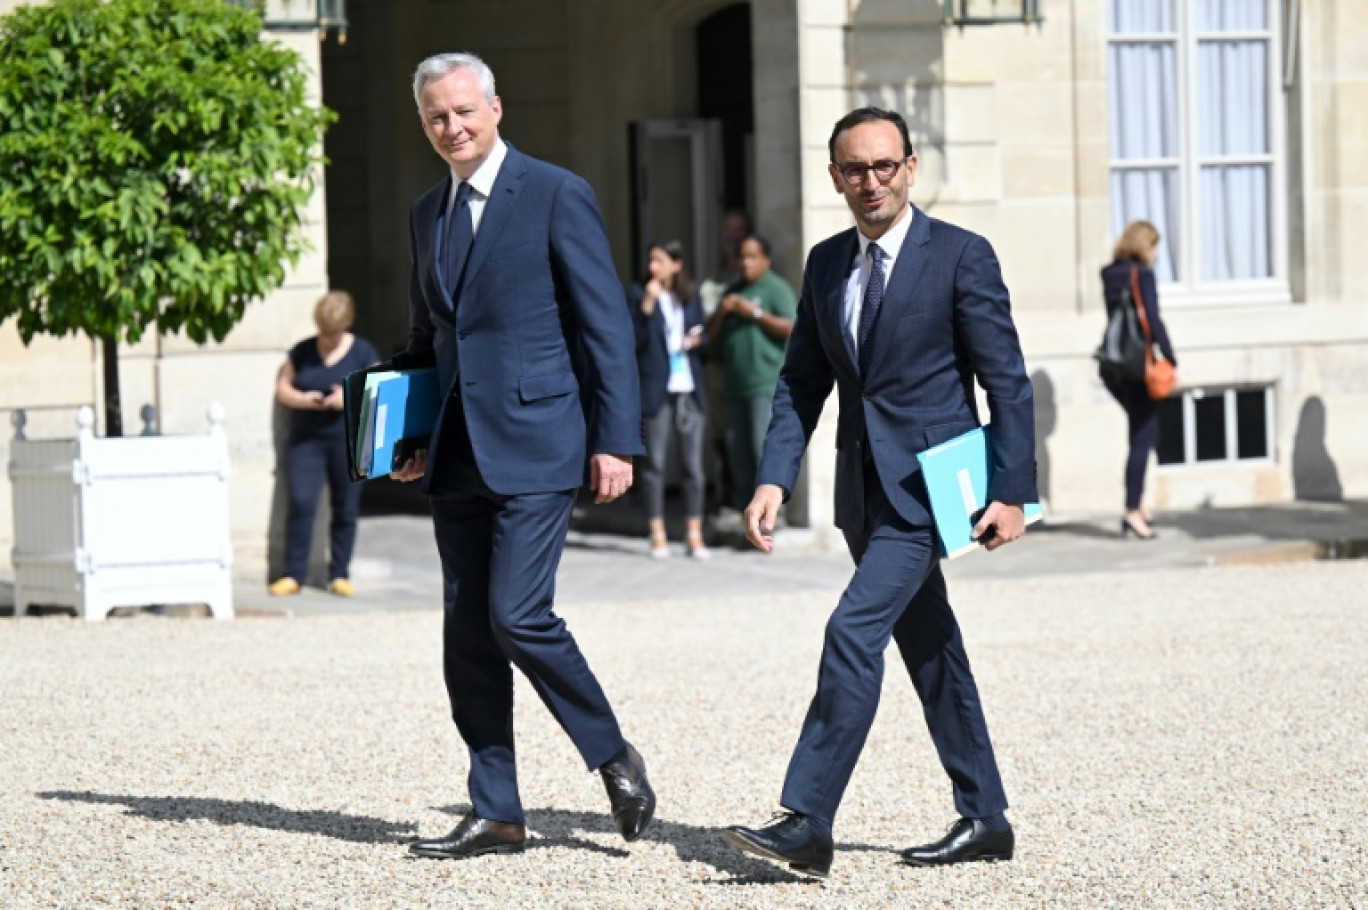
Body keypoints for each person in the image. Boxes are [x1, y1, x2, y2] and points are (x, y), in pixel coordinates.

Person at [723, 107, 1037, 877]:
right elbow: (801, 382)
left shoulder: (962, 256)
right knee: (932, 652)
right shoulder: (828, 264)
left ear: (911, 168)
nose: (872, 182)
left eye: (885, 166)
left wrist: (1014, 492)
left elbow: (1009, 385)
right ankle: (986, 817)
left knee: (851, 631)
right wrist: (773, 476)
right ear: (835, 178)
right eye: (855, 170)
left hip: (933, 493)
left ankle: (808, 822)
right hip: (862, 497)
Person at [387, 52, 655, 861]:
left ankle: (612, 755)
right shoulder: (425, 214)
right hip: (458, 455)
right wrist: (408, 432)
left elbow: (605, 324)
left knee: (517, 614)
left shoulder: (554, 193)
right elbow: (427, 337)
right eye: (436, 116)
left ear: (495, 108)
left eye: (464, 111)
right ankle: (497, 811)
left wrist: (617, 438)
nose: (452, 127)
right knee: (466, 635)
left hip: (540, 442)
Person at [270, 291, 378, 597]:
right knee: (302, 503)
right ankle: (293, 574)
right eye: (324, 333)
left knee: (345, 507)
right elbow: (283, 388)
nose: (328, 340)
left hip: (348, 440)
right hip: (307, 439)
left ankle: (339, 574)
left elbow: (376, 391)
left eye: (334, 333)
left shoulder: (363, 352)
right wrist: (305, 399)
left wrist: (346, 399)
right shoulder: (302, 351)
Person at [706, 233, 796, 514]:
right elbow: (710, 340)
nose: (745, 263)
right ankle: (742, 510)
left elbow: (793, 327)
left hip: (765, 385)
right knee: (737, 453)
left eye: (752, 256)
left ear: (765, 260)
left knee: (762, 451)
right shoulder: (732, 291)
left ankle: (772, 515)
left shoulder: (775, 288)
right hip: (734, 386)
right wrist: (722, 313)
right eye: (741, 256)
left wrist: (755, 314)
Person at [631, 240, 709, 560]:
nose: (653, 268)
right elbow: (633, 341)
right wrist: (647, 306)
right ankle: (657, 531)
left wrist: (696, 339)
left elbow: (704, 335)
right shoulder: (639, 296)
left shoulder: (689, 297)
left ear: (676, 264)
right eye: (650, 261)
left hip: (688, 388)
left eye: (659, 261)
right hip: (656, 390)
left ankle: (694, 533)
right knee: (655, 464)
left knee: (693, 466)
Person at [1100, 220, 1177, 540]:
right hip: (1139, 367)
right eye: (1154, 246)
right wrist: (1171, 358)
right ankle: (1133, 511)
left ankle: (1137, 506)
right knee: (1143, 436)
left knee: (1142, 431)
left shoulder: (1109, 273)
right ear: (1144, 245)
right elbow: (1151, 320)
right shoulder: (1141, 275)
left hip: (1113, 364)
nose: (1157, 254)